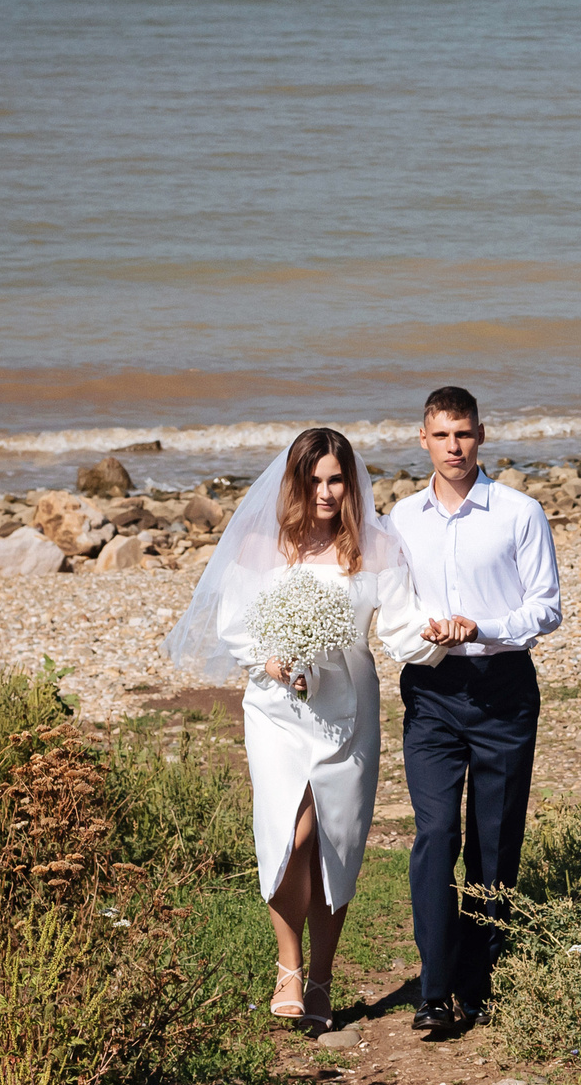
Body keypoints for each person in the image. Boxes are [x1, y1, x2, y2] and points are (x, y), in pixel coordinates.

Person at [161, 426, 447, 1029]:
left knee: (335, 839)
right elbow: (236, 627)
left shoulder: (375, 547)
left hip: (348, 710)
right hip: (275, 709)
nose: (325, 492)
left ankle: (321, 977)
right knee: (290, 837)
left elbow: (398, 628)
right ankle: (288, 966)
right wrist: (271, 662)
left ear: (350, 482)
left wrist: (436, 635)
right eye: (313, 480)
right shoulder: (264, 547)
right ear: (294, 481)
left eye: (335, 479)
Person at [387, 386, 563, 1035]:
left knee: (494, 845)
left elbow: (547, 607)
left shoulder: (519, 512)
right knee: (437, 835)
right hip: (430, 692)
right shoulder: (400, 519)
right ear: (424, 439)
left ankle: (482, 984)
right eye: (441, 435)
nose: (453, 447)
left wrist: (480, 627)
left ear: (481, 435)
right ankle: (434, 991)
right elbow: (391, 602)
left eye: (463, 434)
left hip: (503, 689)